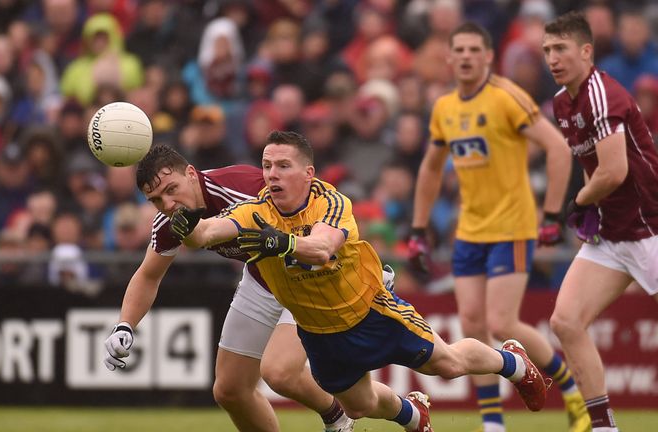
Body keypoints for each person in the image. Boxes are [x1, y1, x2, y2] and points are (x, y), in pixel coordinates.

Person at [170, 130, 548, 432]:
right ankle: (413, 415)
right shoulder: (255, 210)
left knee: (447, 364)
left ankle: (512, 362)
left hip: (370, 310)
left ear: (308, 174)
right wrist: (188, 228)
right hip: (320, 334)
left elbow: (322, 248)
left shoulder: (331, 202)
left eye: (283, 166)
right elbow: (208, 233)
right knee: (359, 406)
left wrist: (282, 242)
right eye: (267, 166)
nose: (272, 174)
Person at [407, 22, 587, 432]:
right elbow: (431, 169)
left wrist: (552, 215)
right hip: (470, 230)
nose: (466, 57)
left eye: (475, 50)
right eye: (460, 50)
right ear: (449, 58)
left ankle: (572, 391)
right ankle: (493, 423)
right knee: (472, 324)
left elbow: (557, 148)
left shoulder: (507, 97)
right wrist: (418, 229)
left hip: (512, 225)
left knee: (503, 322)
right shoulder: (445, 107)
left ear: (489, 56)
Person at [103, 145, 355, 432]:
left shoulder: (243, 187)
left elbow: (319, 207)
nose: (168, 204)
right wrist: (124, 324)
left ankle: (338, 418)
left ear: (191, 174)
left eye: (172, 189)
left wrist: (354, 266)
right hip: (262, 278)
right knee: (229, 390)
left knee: (280, 372)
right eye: (156, 200)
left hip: (308, 277)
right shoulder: (170, 221)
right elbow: (148, 276)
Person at [542, 12, 658, 432]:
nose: (552, 58)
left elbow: (613, 171)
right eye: (547, 50)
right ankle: (604, 427)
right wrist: (591, 210)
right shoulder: (562, 102)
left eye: (561, 49)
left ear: (586, 51)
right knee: (565, 321)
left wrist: (577, 203)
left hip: (649, 227)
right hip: (612, 235)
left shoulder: (603, 94)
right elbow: (592, 166)